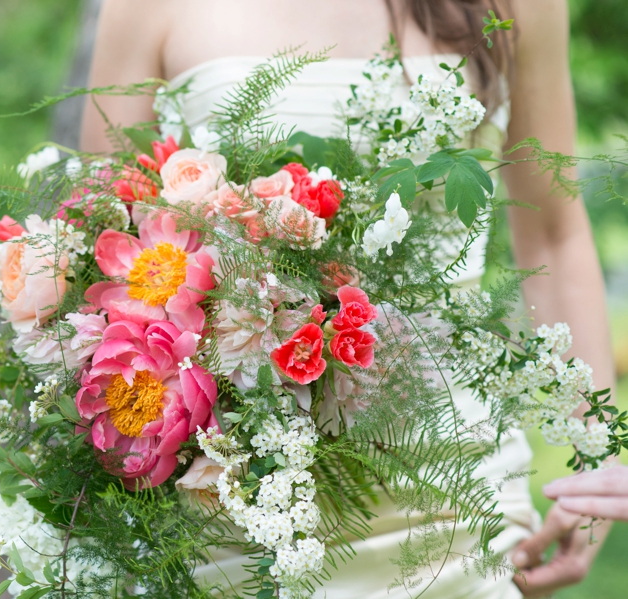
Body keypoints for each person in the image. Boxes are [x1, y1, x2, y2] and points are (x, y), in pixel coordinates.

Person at [80, 1, 616, 597]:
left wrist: (595, 461)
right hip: (239, 511)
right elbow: (97, 247)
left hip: (458, 503)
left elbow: (554, 232)